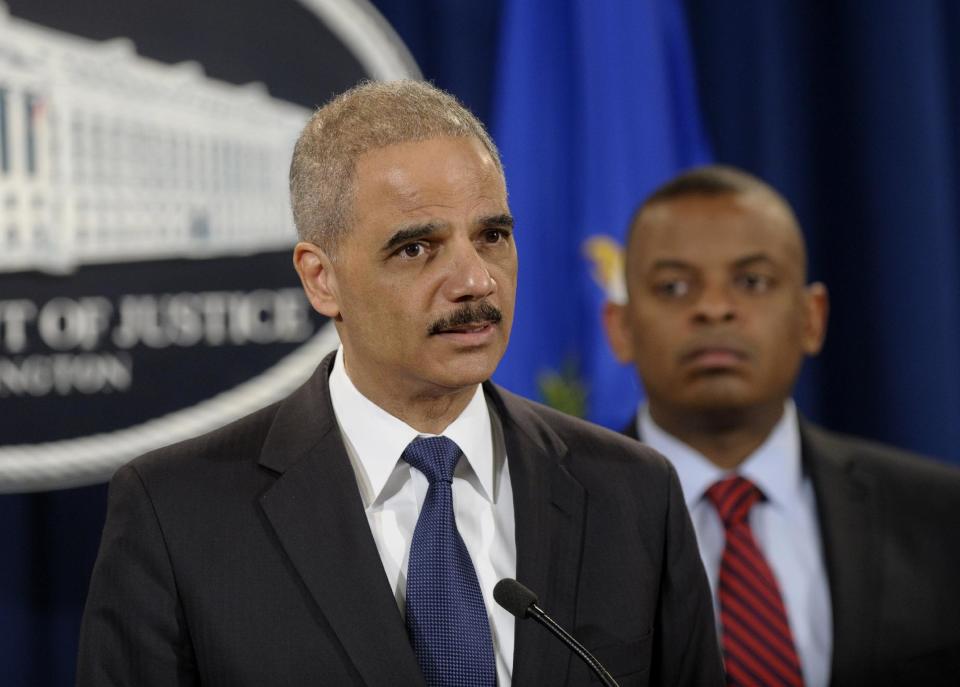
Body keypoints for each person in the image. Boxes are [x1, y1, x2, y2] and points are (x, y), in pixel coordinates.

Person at [77, 81, 722, 686]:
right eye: (417, 248)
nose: (476, 280)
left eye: (492, 235)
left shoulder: (633, 492)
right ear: (321, 278)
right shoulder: (178, 512)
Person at [603, 164, 960, 687]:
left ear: (811, 317)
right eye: (675, 286)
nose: (715, 309)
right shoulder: (558, 521)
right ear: (622, 329)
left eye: (752, 281)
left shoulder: (942, 519)